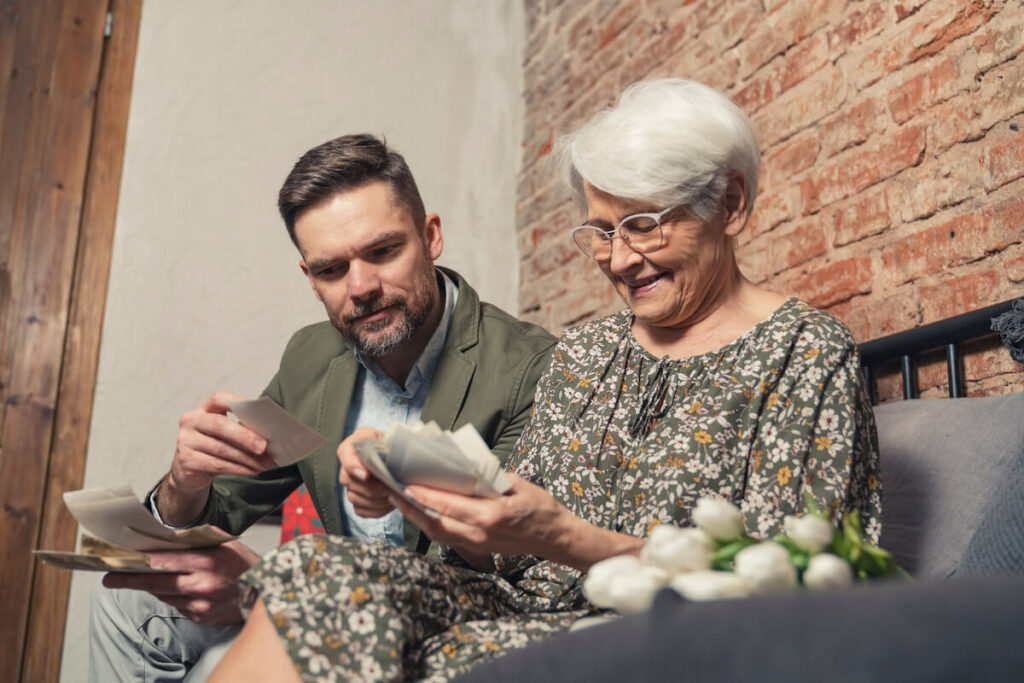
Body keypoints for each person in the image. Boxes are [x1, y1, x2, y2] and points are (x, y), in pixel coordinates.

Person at [208, 78, 882, 682]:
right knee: (309, 568)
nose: (618, 259)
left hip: (653, 632)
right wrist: (406, 490)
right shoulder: (586, 350)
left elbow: (785, 587)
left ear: (730, 203)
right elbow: (504, 550)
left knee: (414, 653)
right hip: (512, 603)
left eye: (642, 225)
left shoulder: (806, 353)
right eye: (600, 230)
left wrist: (566, 538)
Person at [87, 134, 556, 682]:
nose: (361, 287)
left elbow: (495, 570)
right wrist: (184, 485)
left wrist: (271, 588)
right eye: (332, 270)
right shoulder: (310, 355)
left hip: (445, 621)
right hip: (321, 600)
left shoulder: (529, 368)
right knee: (126, 602)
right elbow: (225, 508)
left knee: (219, 663)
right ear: (310, 279)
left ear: (431, 237)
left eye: (382, 252)